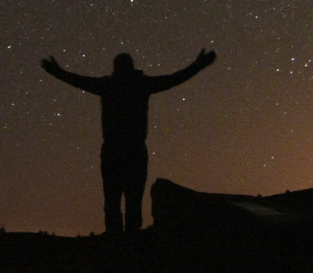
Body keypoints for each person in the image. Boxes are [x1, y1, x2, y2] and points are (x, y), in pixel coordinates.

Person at [41, 48, 217, 234]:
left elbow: (79, 81)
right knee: (131, 198)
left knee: (113, 198)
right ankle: (129, 239)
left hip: (115, 150)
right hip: (133, 149)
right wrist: (197, 66)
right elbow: (173, 79)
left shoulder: (109, 85)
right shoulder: (140, 84)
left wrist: (57, 72)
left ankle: (116, 239)